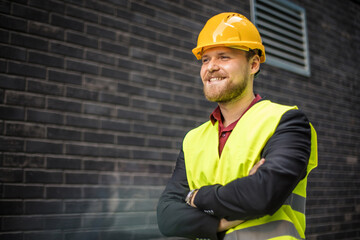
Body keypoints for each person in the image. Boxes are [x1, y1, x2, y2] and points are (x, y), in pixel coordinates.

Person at [157, 12, 317, 240]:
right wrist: (222, 222)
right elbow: (166, 217)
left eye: (223, 57)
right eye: (205, 59)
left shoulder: (286, 121)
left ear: (253, 65)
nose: (211, 67)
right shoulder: (192, 139)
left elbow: (263, 195)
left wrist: (197, 197)